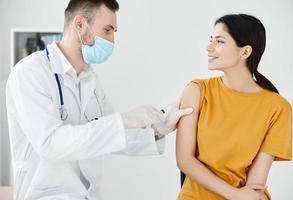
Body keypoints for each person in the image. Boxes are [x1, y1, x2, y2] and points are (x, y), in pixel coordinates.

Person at [5, 0, 193, 199]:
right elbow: (50, 144)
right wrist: (123, 120)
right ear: (79, 24)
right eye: (107, 30)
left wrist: (158, 130)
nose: (112, 41)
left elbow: (112, 137)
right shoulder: (30, 73)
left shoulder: (90, 79)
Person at [176, 14, 292, 200]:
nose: (209, 47)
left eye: (219, 41)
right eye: (211, 40)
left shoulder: (278, 107)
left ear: (245, 52)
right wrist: (234, 195)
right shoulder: (196, 91)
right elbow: (185, 160)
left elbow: (256, 182)